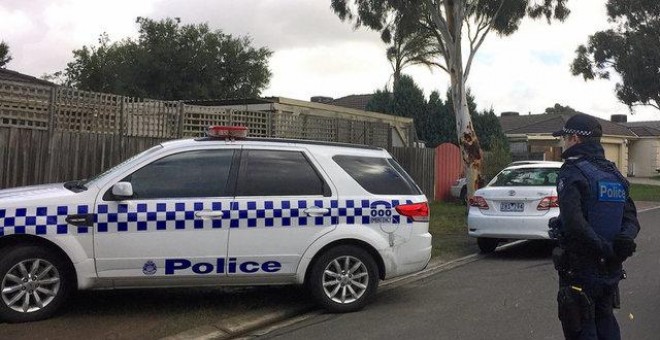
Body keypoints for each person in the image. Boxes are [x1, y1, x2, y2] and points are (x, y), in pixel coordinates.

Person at [549, 114, 640, 340]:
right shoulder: (614, 174)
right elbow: (631, 219)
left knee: (580, 325)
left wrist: (605, 249)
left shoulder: (572, 172)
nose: (562, 143)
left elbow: (574, 224)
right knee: (605, 318)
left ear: (576, 139)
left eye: (565, 138)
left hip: (581, 269)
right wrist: (621, 244)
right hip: (610, 269)